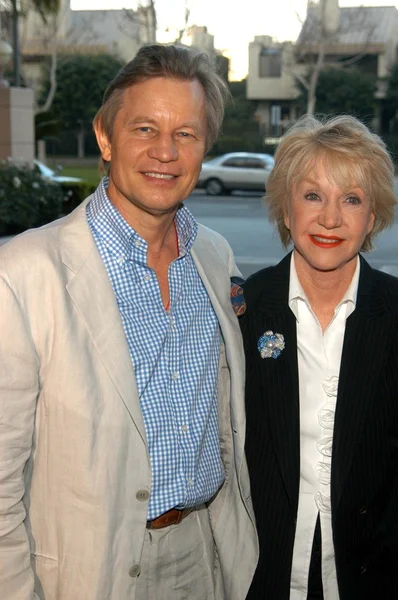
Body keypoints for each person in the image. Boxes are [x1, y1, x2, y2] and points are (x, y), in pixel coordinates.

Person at [0, 44, 258, 600]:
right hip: (86, 570)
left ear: (204, 146)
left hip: (204, 555)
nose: (165, 151)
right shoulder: (22, 274)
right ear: (105, 136)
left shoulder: (215, 259)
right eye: (145, 128)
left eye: (185, 133)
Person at [241, 114, 398, 600]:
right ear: (286, 211)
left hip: (373, 575)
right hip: (261, 576)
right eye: (312, 196)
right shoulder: (243, 309)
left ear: (371, 218)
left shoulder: (394, 314)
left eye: (351, 199)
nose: (330, 218)